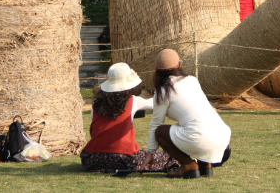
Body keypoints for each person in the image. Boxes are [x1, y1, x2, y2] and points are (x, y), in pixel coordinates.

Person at [81, 62, 179, 173]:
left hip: (93, 159)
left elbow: (94, 128)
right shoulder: (133, 101)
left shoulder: (95, 103)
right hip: (124, 158)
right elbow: (155, 103)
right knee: (169, 156)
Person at [148, 49, 232, 179]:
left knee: (160, 132)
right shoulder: (192, 80)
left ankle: (188, 165)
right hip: (223, 136)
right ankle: (205, 166)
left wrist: (150, 153)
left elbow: (156, 123)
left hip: (200, 138)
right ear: (180, 63)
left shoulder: (163, 91)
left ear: (156, 70)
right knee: (192, 125)